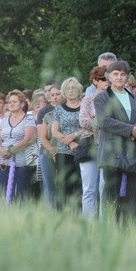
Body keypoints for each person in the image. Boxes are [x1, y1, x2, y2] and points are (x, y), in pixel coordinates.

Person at [94, 61, 136, 222]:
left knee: (133, 194)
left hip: (133, 152)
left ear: (127, 76)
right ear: (108, 76)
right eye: (116, 74)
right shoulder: (102, 98)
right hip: (112, 153)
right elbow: (104, 121)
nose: (119, 77)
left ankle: (129, 229)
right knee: (111, 194)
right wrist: (131, 130)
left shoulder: (135, 99)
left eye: (123, 74)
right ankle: (110, 229)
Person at [0, 90, 38, 203]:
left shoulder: (29, 119)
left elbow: (27, 139)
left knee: (21, 193)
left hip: (21, 161)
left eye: (15, 101)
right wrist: (2, 151)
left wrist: (10, 151)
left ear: (22, 104)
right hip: (2, 160)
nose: (11, 104)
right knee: (4, 193)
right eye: (9, 102)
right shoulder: (4, 120)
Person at [78, 66, 108, 219]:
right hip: (90, 145)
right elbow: (83, 121)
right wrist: (104, 123)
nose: (107, 81)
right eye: (103, 79)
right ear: (95, 81)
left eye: (108, 78)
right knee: (89, 188)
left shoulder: (115, 99)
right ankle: (88, 223)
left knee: (105, 187)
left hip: (109, 145)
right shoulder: (88, 100)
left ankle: (104, 223)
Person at [52, 77, 84, 209]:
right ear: (64, 91)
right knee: (63, 186)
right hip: (63, 152)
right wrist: (70, 142)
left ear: (79, 89)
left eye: (73, 88)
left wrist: (74, 135)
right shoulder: (59, 109)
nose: (71, 91)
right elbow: (55, 131)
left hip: (83, 150)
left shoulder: (85, 106)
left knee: (80, 185)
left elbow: (90, 127)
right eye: (68, 88)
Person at [37, 82, 62, 206]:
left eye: (58, 94)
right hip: (47, 151)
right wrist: (53, 151)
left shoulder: (69, 108)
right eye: (52, 95)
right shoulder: (44, 112)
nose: (55, 97)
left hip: (66, 151)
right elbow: (42, 137)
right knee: (50, 187)